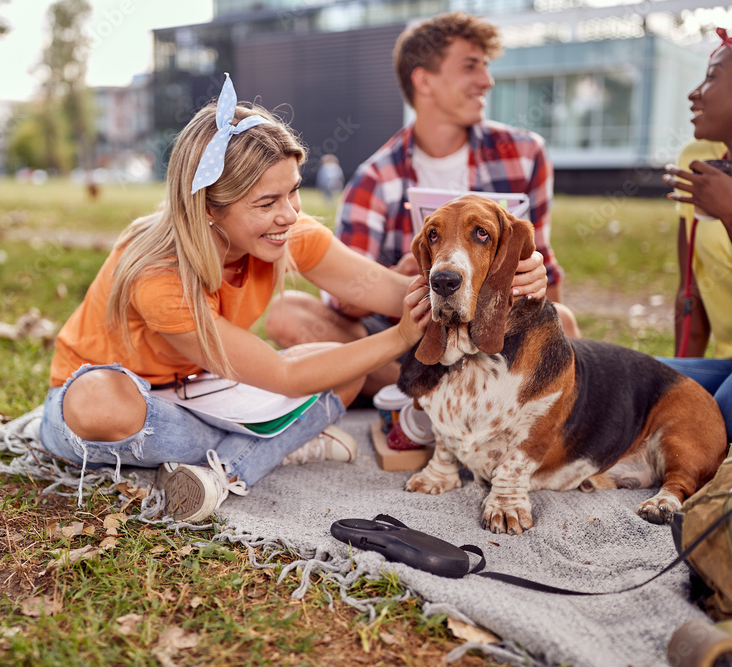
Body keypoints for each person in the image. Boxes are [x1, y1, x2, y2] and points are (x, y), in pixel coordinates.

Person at [37, 74, 548, 523]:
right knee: (102, 399)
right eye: (267, 202)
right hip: (131, 407)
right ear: (209, 209)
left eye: (293, 192)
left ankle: (234, 462)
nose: (290, 214)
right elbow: (283, 378)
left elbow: (382, 289)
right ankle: (258, 453)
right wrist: (399, 336)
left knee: (340, 364)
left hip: (206, 390)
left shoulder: (283, 231)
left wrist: (495, 287)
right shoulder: (157, 274)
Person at [265, 11, 578, 400]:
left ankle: (422, 391)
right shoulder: (375, 179)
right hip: (411, 330)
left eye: (485, 67)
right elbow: (342, 301)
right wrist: (401, 275)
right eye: (471, 66)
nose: (487, 80)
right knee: (288, 313)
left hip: (493, 324)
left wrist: (537, 284)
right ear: (424, 80)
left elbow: (543, 258)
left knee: (563, 321)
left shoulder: (524, 153)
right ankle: (450, 390)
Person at [661, 28, 732, 442]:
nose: (695, 93)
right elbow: (690, 290)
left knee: (723, 408)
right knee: (627, 379)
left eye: (712, 77)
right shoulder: (697, 160)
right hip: (724, 364)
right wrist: (671, 388)